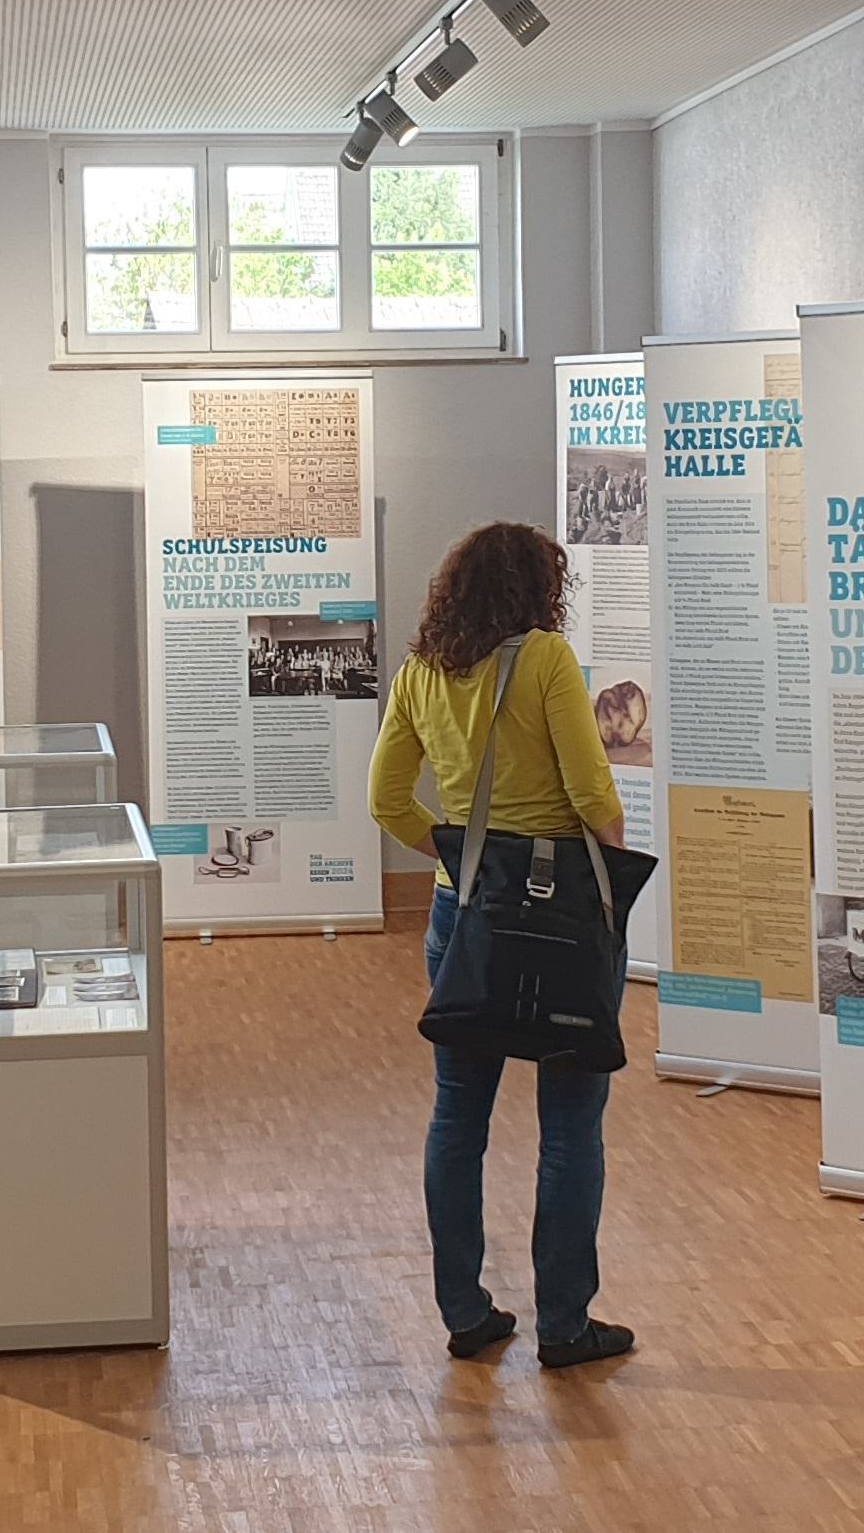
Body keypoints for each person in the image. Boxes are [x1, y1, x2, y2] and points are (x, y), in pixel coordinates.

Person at [369, 520, 632, 1368]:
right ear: (538, 590)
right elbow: (593, 793)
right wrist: (611, 887)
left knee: (458, 1117)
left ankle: (465, 1314)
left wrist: (454, 864)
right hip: (559, 923)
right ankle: (564, 1324)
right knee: (570, 1123)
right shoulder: (547, 661)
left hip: (464, 919)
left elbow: (386, 801)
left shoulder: (419, 673)